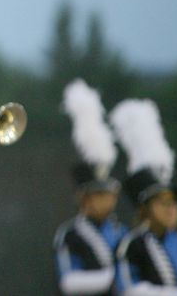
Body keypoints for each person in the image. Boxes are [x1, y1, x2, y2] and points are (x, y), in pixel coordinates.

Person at [110, 99, 177, 296]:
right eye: (162, 203)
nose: (171, 209)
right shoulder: (131, 245)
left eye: (173, 202)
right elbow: (130, 290)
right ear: (145, 209)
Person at [54, 79, 127, 295]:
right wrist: (118, 277)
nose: (108, 199)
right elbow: (69, 282)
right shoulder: (69, 235)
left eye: (109, 193)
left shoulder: (123, 232)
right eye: (100, 194)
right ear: (84, 198)